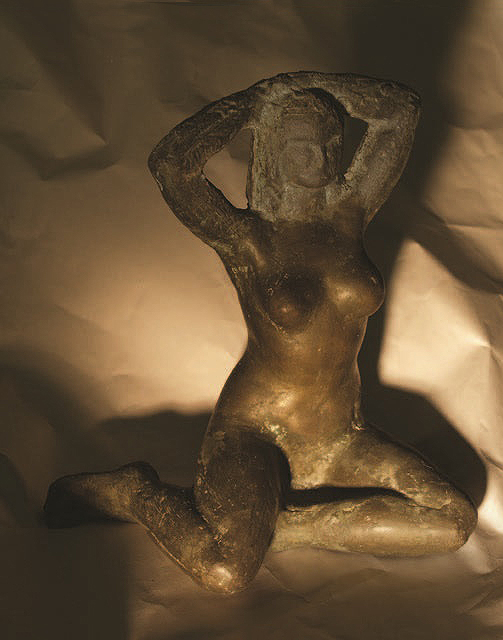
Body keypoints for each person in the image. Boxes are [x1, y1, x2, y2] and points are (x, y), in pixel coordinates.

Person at [44, 72, 476, 594]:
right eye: (301, 145)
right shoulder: (248, 238)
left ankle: (285, 528)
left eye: (329, 143)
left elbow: (401, 110)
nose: (318, 157)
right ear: (271, 151)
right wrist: (255, 102)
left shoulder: (349, 216)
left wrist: (309, 84)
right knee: (225, 573)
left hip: (341, 437)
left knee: (453, 521)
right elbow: (172, 165)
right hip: (254, 432)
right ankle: (135, 492)